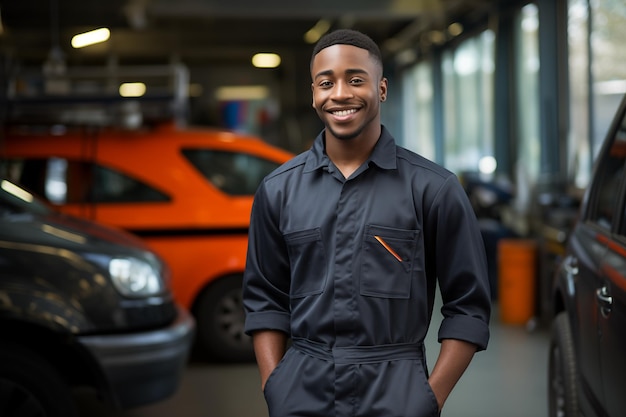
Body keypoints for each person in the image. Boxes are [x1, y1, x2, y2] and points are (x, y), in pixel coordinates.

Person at [242, 28, 491, 417]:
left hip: (397, 394)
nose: (340, 93)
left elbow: (469, 309)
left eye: (356, 79)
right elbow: (265, 301)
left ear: (382, 89)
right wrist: (275, 386)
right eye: (326, 83)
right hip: (301, 392)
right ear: (313, 94)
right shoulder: (278, 190)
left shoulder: (433, 189)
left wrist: (429, 399)